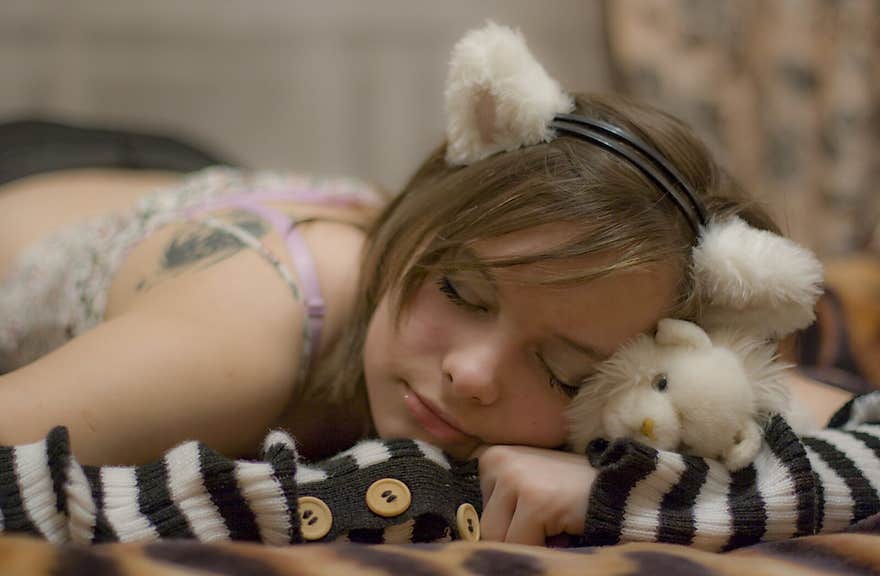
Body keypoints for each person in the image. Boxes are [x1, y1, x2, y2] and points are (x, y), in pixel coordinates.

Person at [0, 24, 872, 548]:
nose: (473, 374)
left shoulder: (656, 361)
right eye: (460, 291)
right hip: (41, 179)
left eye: (566, 371)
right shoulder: (245, 335)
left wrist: (625, 497)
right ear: (426, 225)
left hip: (207, 180)